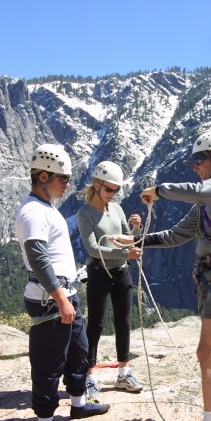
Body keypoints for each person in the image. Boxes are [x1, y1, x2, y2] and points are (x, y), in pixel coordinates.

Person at [122, 130, 211, 421]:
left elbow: (201, 191)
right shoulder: (208, 204)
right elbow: (178, 234)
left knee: (205, 352)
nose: (194, 167)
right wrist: (138, 243)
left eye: (199, 161)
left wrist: (160, 190)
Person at [14, 143, 111, 421]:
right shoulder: (32, 212)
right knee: (48, 364)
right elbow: (38, 257)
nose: (68, 185)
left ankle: (79, 404)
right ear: (43, 176)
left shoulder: (46, 208)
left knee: (78, 352)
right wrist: (60, 298)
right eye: (63, 179)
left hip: (64, 295)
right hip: (50, 299)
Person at [76, 160, 144, 402]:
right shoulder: (85, 214)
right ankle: (90, 377)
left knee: (123, 322)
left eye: (116, 190)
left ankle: (123, 373)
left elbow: (127, 239)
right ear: (97, 184)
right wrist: (126, 253)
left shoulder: (116, 209)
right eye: (109, 189)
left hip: (121, 271)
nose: (113, 194)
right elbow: (93, 249)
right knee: (95, 323)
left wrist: (135, 229)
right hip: (99, 271)